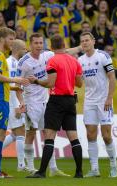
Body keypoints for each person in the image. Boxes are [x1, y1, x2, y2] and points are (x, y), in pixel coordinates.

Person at [26, 34, 83, 178]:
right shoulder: (74, 61)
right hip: (71, 101)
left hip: (56, 101)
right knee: (73, 137)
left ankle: (42, 172)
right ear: (64, 45)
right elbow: (80, 83)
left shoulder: (52, 61)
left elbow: (50, 83)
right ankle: (79, 172)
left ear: (51, 46)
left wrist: (36, 81)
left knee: (49, 136)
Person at [16, 33, 70, 177]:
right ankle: (30, 166)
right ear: (30, 44)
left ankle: (53, 168)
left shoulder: (47, 55)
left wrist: (82, 47)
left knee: (48, 133)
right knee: (31, 133)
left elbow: (64, 52)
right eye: (36, 43)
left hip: (45, 101)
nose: (39, 46)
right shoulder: (24, 62)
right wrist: (21, 102)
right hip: (31, 102)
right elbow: (17, 85)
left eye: (41, 43)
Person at [0, 27, 29, 178]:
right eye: (11, 39)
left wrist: (13, 86)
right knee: (0, 135)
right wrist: (15, 79)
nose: (12, 42)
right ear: (2, 39)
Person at [78, 32, 117, 178]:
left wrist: (109, 98)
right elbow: (79, 82)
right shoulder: (80, 60)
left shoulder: (103, 56)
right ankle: (95, 169)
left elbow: (112, 78)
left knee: (107, 136)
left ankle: (113, 165)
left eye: (87, 40)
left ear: (93, 41)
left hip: (103, 101)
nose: (85, 43)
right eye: (82, 41)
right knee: (90, 134)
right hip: (89, 101)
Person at [2, 39, 28, 172]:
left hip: (15, 101)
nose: (26, 50)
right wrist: (17, 105)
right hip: (13, 102)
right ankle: (21, 164)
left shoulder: (16, 62)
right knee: (20, 133)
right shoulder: (10, 63)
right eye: (24, 48)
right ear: (18, 49)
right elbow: (11, 85)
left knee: (15, 133)